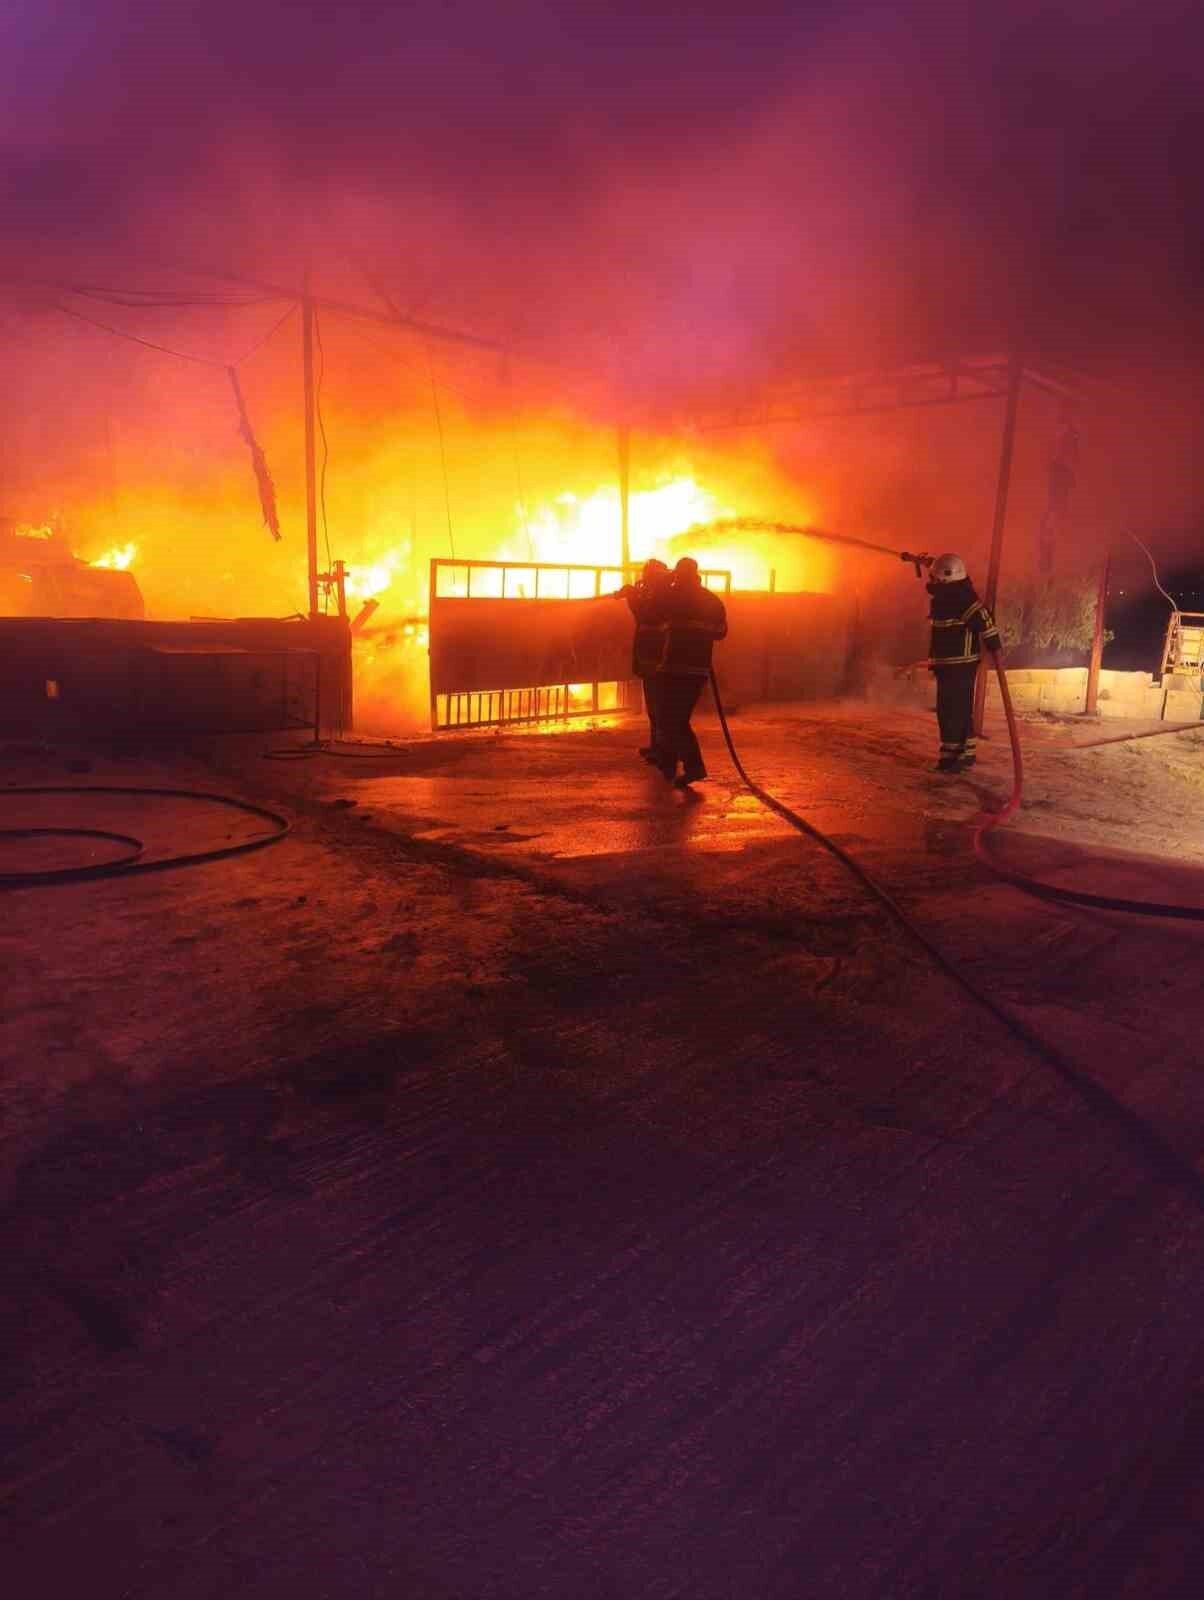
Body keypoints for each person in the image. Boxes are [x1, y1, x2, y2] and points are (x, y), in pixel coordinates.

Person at [925, 552, 1001, 772]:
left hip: (960, 666)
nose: (934, 581)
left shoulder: (962, 598)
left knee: (955, 711)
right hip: (947, 665)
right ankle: (957, 754)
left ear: (946, 578)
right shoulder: (946, 597)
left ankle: (955, 758)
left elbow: (983, 619)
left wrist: (993, 643)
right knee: (950, 710)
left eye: (937, 578)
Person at [655, 556, 728, 787]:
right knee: (675, 718)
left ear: (678, 574)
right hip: (697, 670)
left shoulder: (672, 596)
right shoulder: (711, 600)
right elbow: (721, 632)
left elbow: (653, 606)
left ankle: (691, 766)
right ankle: (672, 762)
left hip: (674, 668)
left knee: (670, 719)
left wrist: (665, 580)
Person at [614, 558, 672, 762]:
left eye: (648, 574)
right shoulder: (657, 593)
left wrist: (631, 596)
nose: (644, 578)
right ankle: (657, 746)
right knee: (654, 708)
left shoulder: (663, 595)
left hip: (658, 658)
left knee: (659, 707)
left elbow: (645, 614)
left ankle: (663, 751)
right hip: (652, 657)